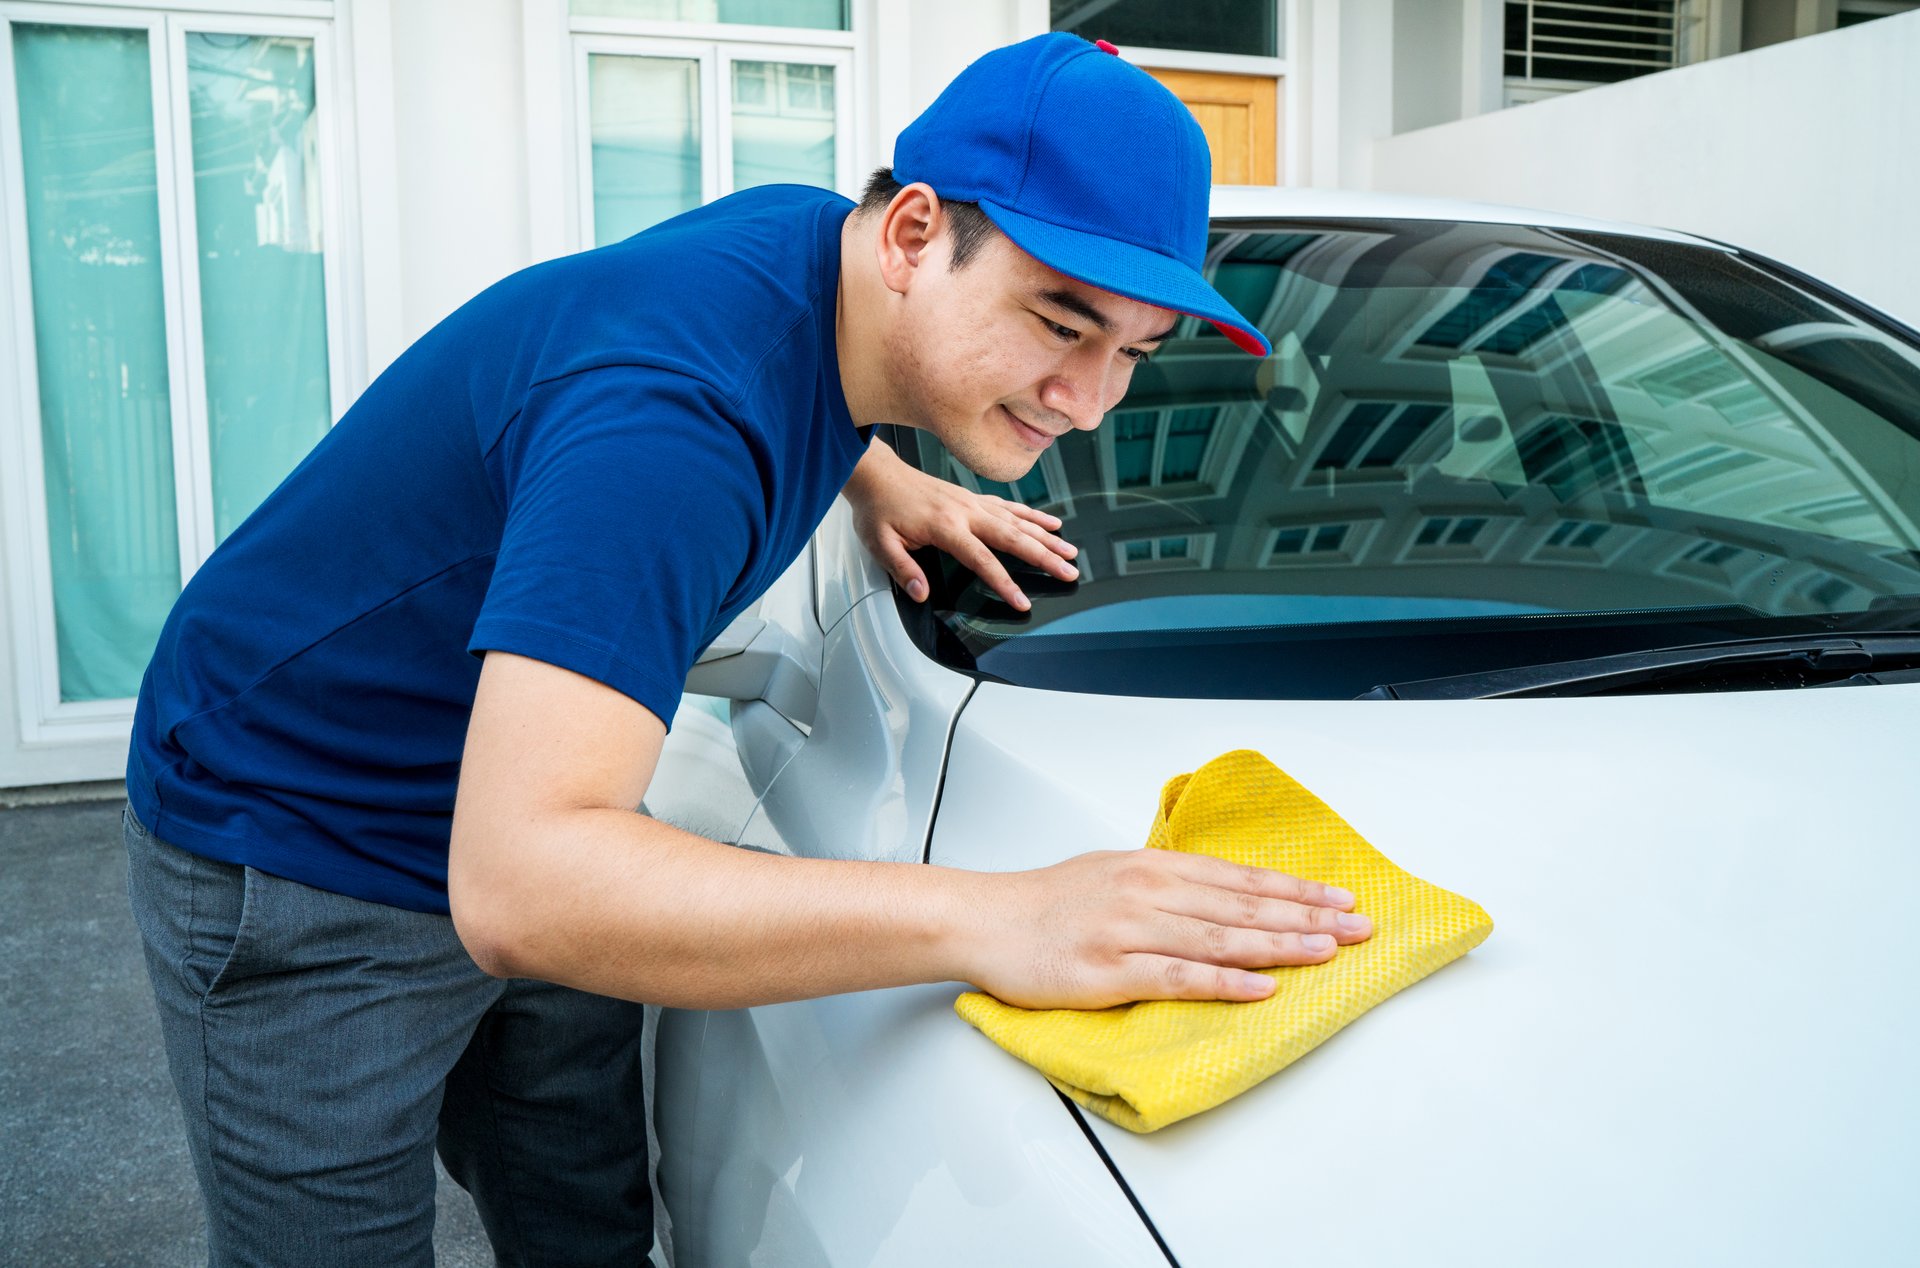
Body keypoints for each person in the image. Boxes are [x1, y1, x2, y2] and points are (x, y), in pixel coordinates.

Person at [122, 31, 1373, 1265]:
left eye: (1133, 354)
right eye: (1060, 323)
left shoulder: (812, 248)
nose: (1089, 399)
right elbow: (523, 888)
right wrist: (1010, 915)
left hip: (526, 782)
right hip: (301, 825)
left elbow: (774, 359)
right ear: (913, 236)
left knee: (583, 1215)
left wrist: (874, 469)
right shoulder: (668, 434)